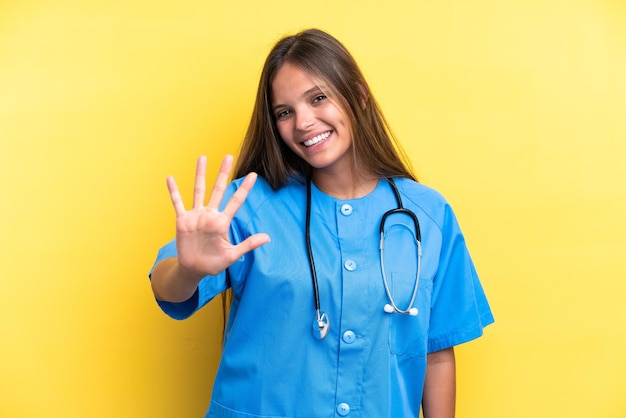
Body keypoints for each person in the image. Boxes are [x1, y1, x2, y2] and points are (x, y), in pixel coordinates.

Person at [150, 28, 494, 418]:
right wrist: (187, 270)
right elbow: (167, 289)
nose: (303, 123)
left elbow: (436, 352)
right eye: (285, 112)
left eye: (318, 98)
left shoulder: (427, 215)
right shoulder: (248, 204)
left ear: (359, 96)